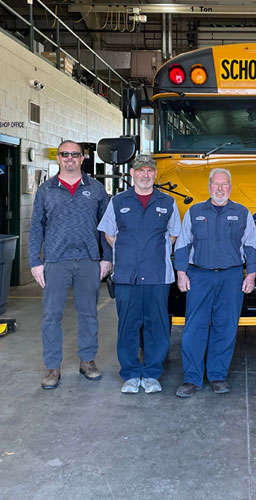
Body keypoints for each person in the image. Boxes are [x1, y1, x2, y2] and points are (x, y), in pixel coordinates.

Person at [29, 140, 112, 390]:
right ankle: (52, 367)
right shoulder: (46, 190)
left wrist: (107, 257)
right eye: (65, 154)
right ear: (58, 158)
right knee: (51, 316)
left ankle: (87, 361)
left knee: (88, 314)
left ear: (82, 158)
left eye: (75, 154)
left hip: (88, 260)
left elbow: (106, 227)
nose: (70, 159)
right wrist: (35, 261)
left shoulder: (96, 189)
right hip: (56, 260)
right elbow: (35, 227)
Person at [174, 168, 256, 398]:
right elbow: (182, 244)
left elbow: (253, 246)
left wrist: (250, 274)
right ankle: (191, 378)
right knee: (195, 327)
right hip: (199, 276)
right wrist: (181, 273)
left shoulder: (242, 213)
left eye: (224, 185)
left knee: (226, 325)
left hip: (231, 277)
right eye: (216, 184)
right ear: (209, 186)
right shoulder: (194, 212)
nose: (220, 188)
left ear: (230, 188)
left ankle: (217, 375)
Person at [98, 154, 181, 394]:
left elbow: (174, 234)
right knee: (128, 326)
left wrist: (151, 252)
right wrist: (129, 252)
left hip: (158, 275)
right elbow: (109, 234)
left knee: (158, 326)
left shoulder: (168, 202)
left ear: (155, 174)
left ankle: (153, 374)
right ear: (132, 173)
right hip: (126, 276)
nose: (145, 174)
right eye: (140, 170)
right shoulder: (117, 201)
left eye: (149, 171)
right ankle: (131, 374)